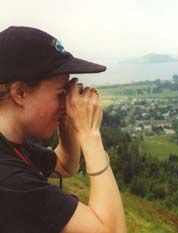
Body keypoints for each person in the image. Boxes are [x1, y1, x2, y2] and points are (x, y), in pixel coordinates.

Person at [0, 26, 127, 233]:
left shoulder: (10, 144)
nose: (66, 102)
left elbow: (65, 165)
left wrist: (66, 119)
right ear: (20, 93)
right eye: (61, 94)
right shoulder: (9, 180)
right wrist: (90, 135)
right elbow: (113, 230)